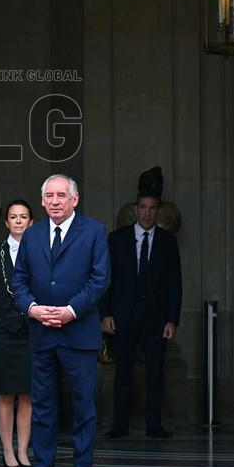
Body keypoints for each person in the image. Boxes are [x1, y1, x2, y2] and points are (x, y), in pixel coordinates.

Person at [12, 174, 109, 467]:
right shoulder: (33, 234)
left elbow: (99, 280)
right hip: (42, 333)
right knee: (43, 405)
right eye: (49, 196)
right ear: (42, 201)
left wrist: (70, 311)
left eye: (61, 195)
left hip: (78, 333)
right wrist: (32, 308)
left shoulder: (93, 231)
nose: (55, 201)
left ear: (74, 200)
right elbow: (19, 281)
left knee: (83, 406)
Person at [100, 167, 182, 439]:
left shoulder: (168, 242)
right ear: (136, 209)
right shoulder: (117, 239)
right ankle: (120, 425)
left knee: (156, 374)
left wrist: (172, 319)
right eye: (143, 207)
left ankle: (154, 425)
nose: (147, 213)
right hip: (123, 315)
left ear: (158, 211)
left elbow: (175, 282)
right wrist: (105, 313)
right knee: (122, 372)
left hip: (156, 318)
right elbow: (105, 278)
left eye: (152, 208)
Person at [0, 200, 34, 467]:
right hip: (2, 331)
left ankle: (24, 452)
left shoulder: (40, 253)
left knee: (26, 394)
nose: (18, 221)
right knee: (5, 393)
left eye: (23, 217)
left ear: (31, 221)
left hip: (29, 331)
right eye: (13, 217)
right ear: (6, 222)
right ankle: (8, 452)